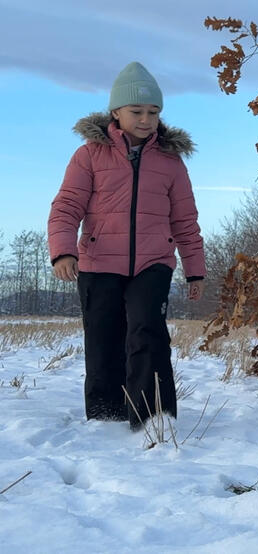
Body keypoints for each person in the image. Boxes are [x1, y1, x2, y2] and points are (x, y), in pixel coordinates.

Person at [48, 61, 206, 430]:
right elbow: (67, 205)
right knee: (104, 336)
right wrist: (63, 251)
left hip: (153, 262)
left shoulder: (170, 161)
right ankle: (105, 416)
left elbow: (185, 220)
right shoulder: (89, 155)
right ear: (116, 112)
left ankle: (153, 417)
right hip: (98, 261)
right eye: (137, 111)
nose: (146, 119)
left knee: (147, 331)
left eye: (153, 112)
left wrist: (195, 269)